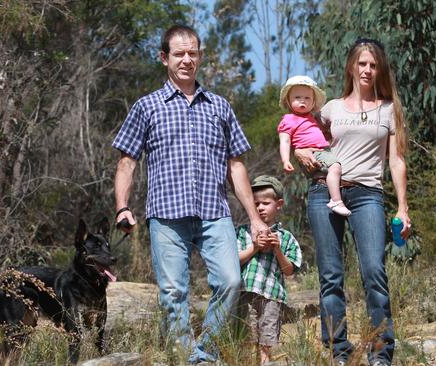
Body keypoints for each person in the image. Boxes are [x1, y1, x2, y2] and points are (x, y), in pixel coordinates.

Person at [112, 24, 268, 364]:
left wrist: (255, 218)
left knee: (230, 282)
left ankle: (204, 356)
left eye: (192, 53)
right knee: (173, 293)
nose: (187, 60)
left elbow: (236, 166)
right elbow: (127, 162)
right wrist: (122, 207)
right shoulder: (147, 107)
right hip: (166, 214)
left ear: (200, 57)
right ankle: (184, 359)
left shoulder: (220, 106)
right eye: (179, 54)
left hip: (215, 211)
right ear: (164, 58)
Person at [293, 38, 411, 366]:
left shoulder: (388, 109)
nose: (367, 70)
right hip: (324, 193)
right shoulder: (329, 108)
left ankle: (380, 352)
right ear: (351, 67)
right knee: (331, 275)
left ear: (379, 70)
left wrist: (402, 206)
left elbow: (397, 160)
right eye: (362, 63)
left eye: (373, 65)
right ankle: (338, 353)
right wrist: (299, 153)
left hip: (368, 194)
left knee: (374, 270)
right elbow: (305, 140)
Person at [235, 175, 302, 364]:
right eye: (255, 203)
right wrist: (254, 247)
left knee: (268, 335)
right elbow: (233, 261)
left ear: (278, 204)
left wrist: (278, 250)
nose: (260, 208)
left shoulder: (286, 237)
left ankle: (265, 362)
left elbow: (289, 271)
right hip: (245, 292)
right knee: (247, 333)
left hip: (272, 295)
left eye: (265, 203)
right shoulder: (242, 232)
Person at [278, 75, 351, 216]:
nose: (302, 101)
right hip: (313, 153)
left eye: (307, 98)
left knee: (329, 171)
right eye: (297, 97)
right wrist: (285, 160)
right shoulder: (288, 119)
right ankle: (336, 200)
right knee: (335, 167)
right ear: (288, 100)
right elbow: (285, 140)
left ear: (313, 102)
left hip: (322, 151)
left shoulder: (311, 117)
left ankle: (333, 195)